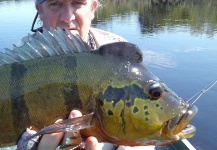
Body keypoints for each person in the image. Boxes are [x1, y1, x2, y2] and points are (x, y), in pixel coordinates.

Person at [17, 0, 127, 149]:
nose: (67, 17)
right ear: (40, 10)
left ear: (93, 8)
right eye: (55, 3)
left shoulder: (118, 56)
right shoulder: (18, 63)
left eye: (77, 3)